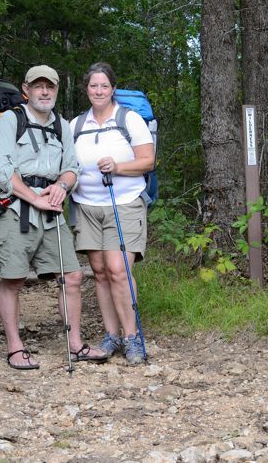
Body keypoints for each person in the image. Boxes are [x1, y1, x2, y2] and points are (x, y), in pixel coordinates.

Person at [0, 65, 108, 370]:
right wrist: (34, 198)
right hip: (15, 210)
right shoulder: (9, 121)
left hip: (52, 211)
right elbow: (1, 169)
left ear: (56, 90)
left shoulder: (61, 125)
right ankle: (15, 348)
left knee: (72, 277)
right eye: (38, 86)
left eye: (50, 87)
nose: (45, 92)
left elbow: (72, 168)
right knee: (13, 279)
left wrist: (61, 187)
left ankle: (75, 345)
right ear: (25, 89)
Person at [70, 62, 153, 365]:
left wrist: (117, 167)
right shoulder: (76, 124)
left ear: (113, 89)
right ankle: (111, 335)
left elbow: (148, 161)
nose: (99, 91)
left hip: (125, 204)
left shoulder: (129, 119)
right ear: (86, 89)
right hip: (87, 207)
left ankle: (132, 337)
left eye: (104, 85)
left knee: (118, 270)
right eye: (93, 85)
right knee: (101, 273)